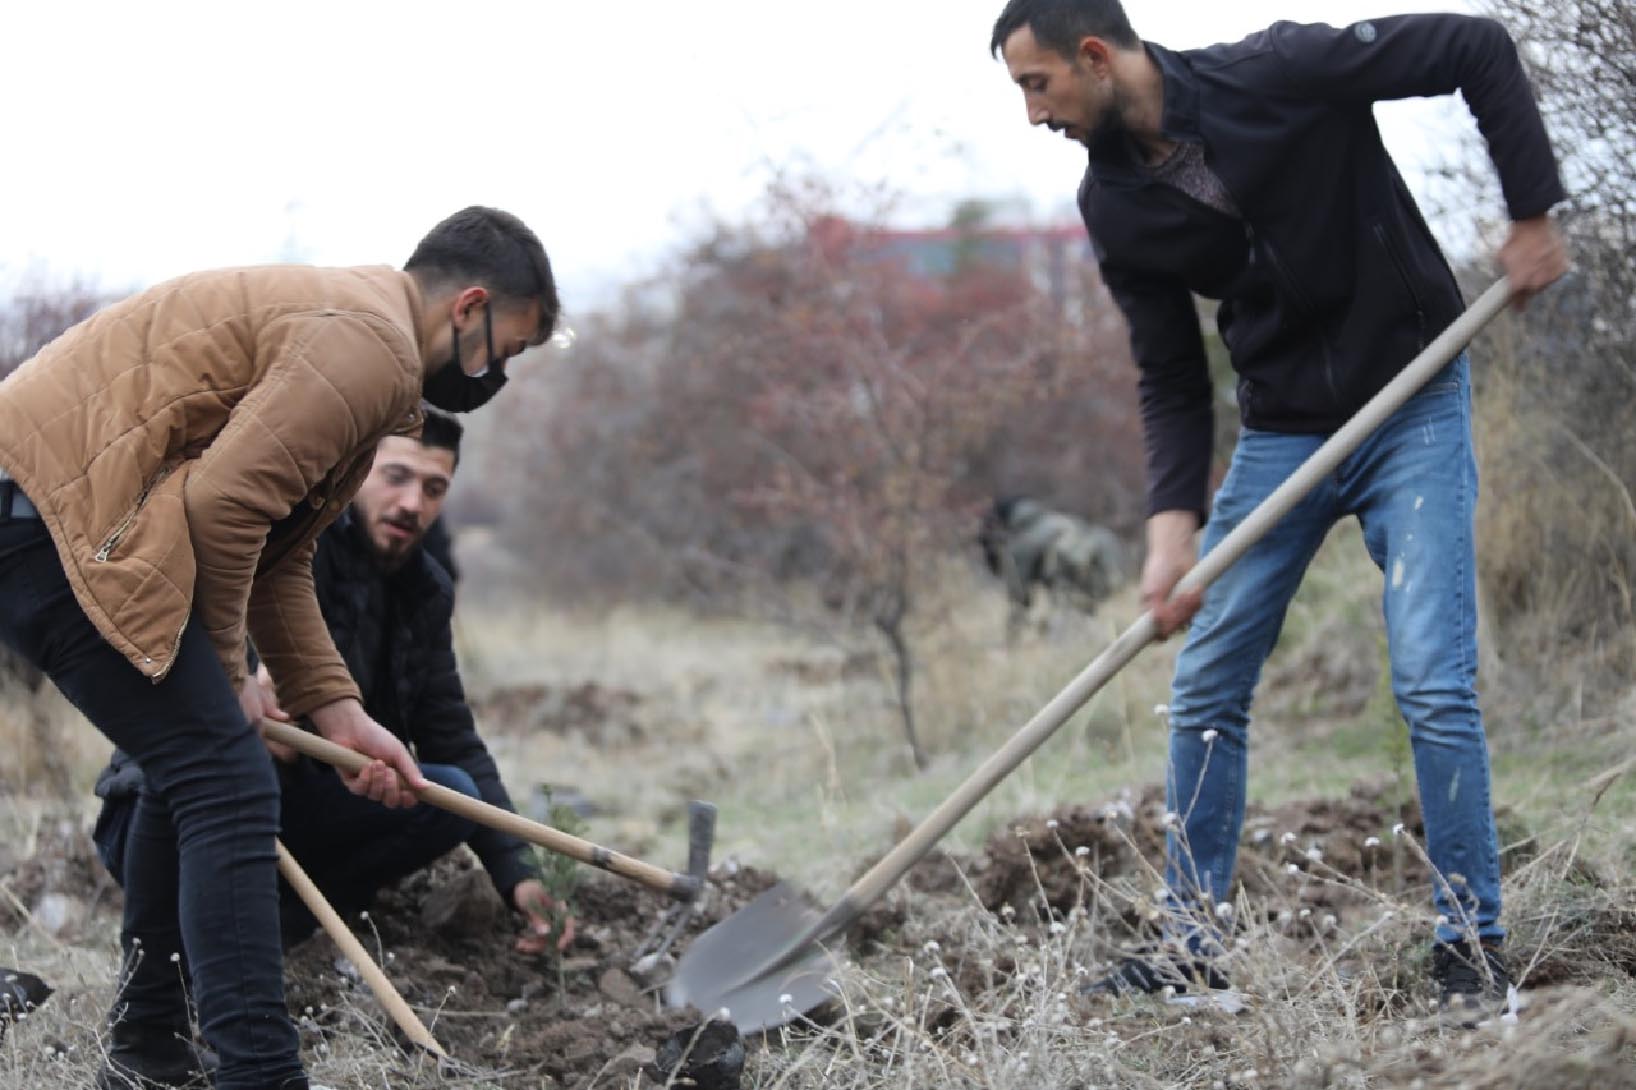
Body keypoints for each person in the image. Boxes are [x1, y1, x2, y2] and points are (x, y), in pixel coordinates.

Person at [990, 1, 1568, 1011]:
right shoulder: (1115, 205)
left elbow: (1474, 47)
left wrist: (1529, 212)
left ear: (1091, 55)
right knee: (1205, 681)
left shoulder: (1281, 69)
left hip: (1413, 401)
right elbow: (1169, 376)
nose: (1033, 115)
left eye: (1036, 86)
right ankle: (1190, 949)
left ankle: (1470, 952)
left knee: (1432, 676)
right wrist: (1170, 540)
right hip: (1283, 434)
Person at [0, 206, 559, 1090]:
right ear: (470, 307)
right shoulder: (366, 347)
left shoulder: (366, 355)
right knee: (226, 776)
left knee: (193, 768)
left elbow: (275, 554)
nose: (494, 374)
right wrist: (229, 676)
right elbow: (220, 509)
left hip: (53, 513)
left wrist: (343, 716)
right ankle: (259, 1072)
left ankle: (146, 1050)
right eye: (505, 351)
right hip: (52, 513)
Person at [94, 411, 572, 960]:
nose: (413, 503)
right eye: (396, 477)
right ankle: (203, 944)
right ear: (358, 470)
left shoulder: (425, 591)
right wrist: (244, 698)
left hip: (304, 808)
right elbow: (171, 659)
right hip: (167, 810)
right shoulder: (288, 543)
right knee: (233, 773)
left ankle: (288, 923)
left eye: (433, 488)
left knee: (454, 793)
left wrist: (518, 875)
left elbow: (451, 735)